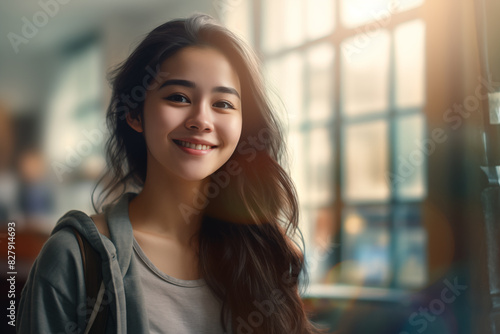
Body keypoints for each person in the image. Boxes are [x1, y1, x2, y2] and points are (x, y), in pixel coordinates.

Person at [17, 14, 326, 334]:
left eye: (223, 103)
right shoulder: (75, 258)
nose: (201, 120)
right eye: (178, 97)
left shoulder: (266, 250)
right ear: (135, 113)